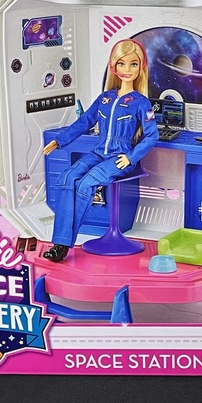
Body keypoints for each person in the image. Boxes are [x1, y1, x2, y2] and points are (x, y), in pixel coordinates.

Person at [42, 39, 159, 262]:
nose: (127, 69)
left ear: (141, 67)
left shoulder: (141, 103)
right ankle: (59, 240)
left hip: (120, 157)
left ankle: (62, 246)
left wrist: (131, 157)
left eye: (133, 64)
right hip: (98, 153)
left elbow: (152, 135)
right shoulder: (105, 98)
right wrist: (59, 141)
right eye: (122, 64)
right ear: (113, 66)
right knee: (67, 177)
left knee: (86, 183)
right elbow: (84, 122)